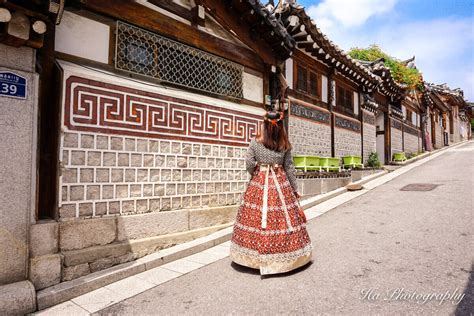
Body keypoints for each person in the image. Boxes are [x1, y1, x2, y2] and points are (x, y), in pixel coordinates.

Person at [229, 110, 313, 275]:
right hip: (281, 184)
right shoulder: (285, 144)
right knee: (283, 217)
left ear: (265, 124)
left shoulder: (256, 141)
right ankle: (286, 258)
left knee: (255, 217)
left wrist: (257, 174)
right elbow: (289, 167)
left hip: (259, 181)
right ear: (280, 125)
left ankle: (251, 258)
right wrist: (294, 189)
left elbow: (248, 162)